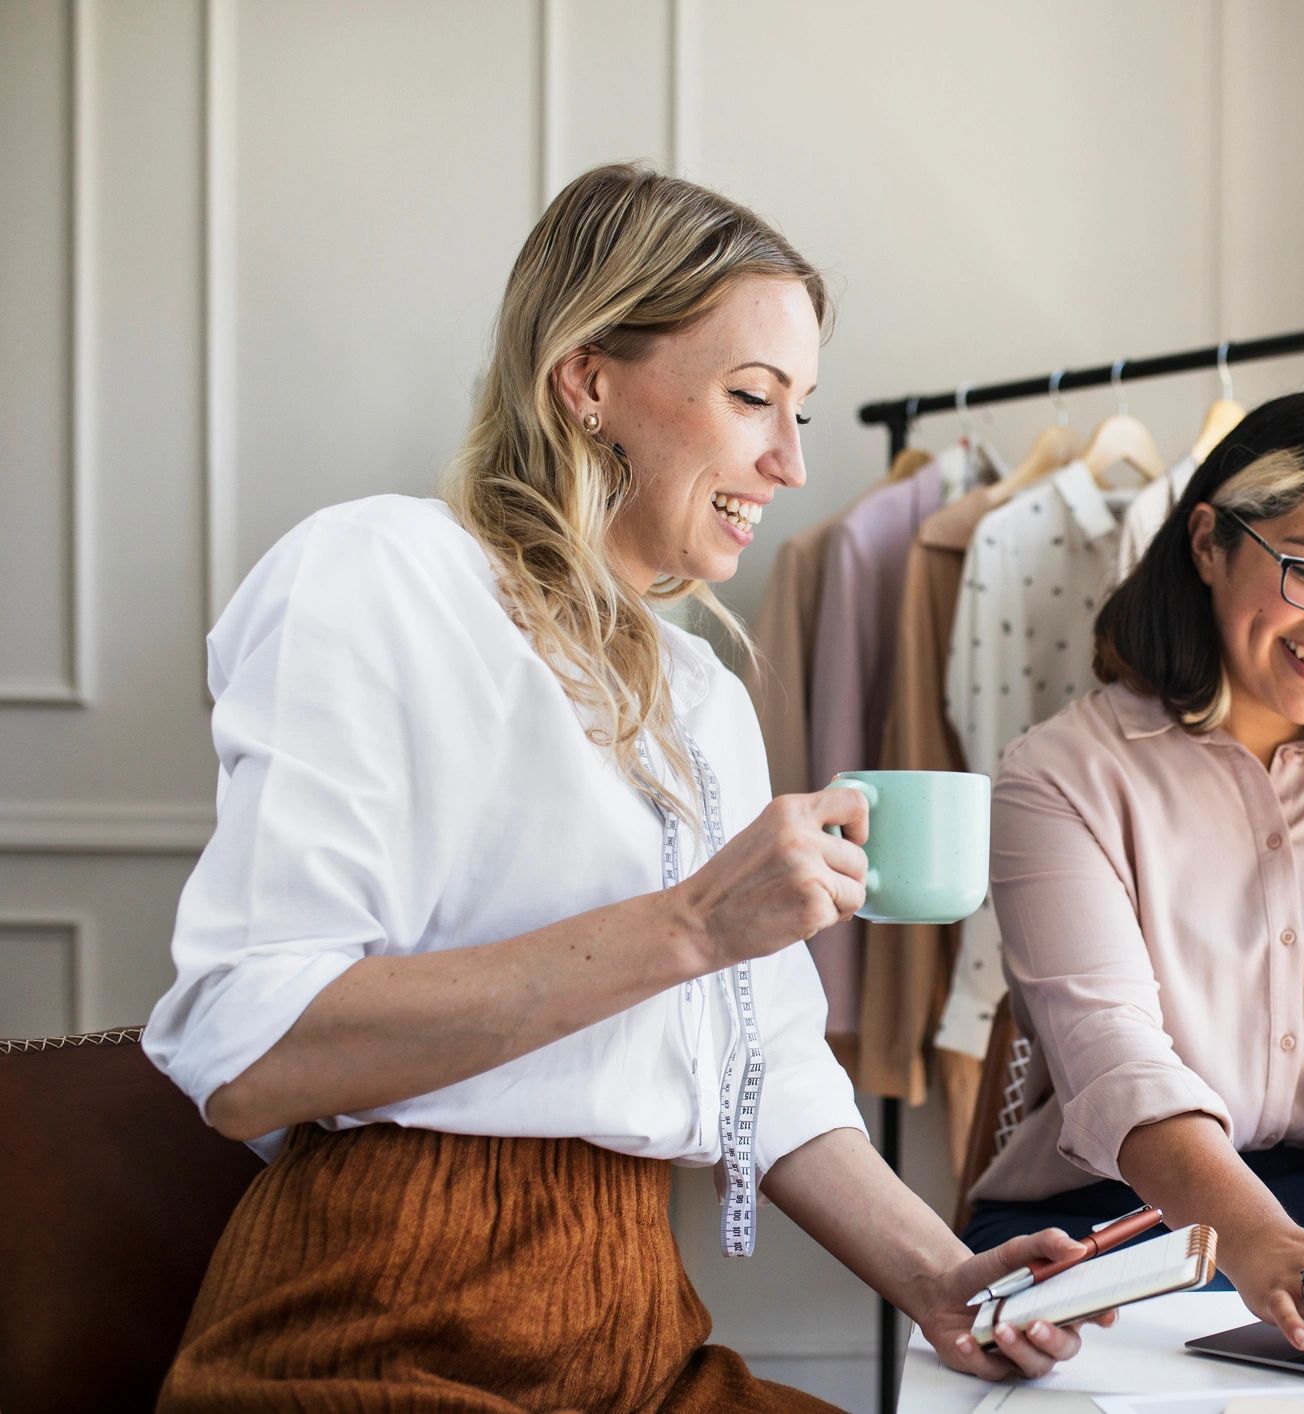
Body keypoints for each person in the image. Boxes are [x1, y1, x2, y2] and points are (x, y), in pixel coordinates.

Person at [143, 163, 1103, 1411]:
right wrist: (691, 925)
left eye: (801, 408)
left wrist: (946, 1277)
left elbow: (772, 1064)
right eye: (752, 397)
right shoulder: (376, 573)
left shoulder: (698, 690)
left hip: (640, 1338)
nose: (790, 461)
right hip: (377, 1322)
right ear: (588, 380)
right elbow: (249, 1043)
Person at [960, 391, 1304, 1378]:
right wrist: (1260, 1239)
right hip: (1119, 1226)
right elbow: (1119, 1065)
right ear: (1208, 542)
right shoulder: (1061, 777)